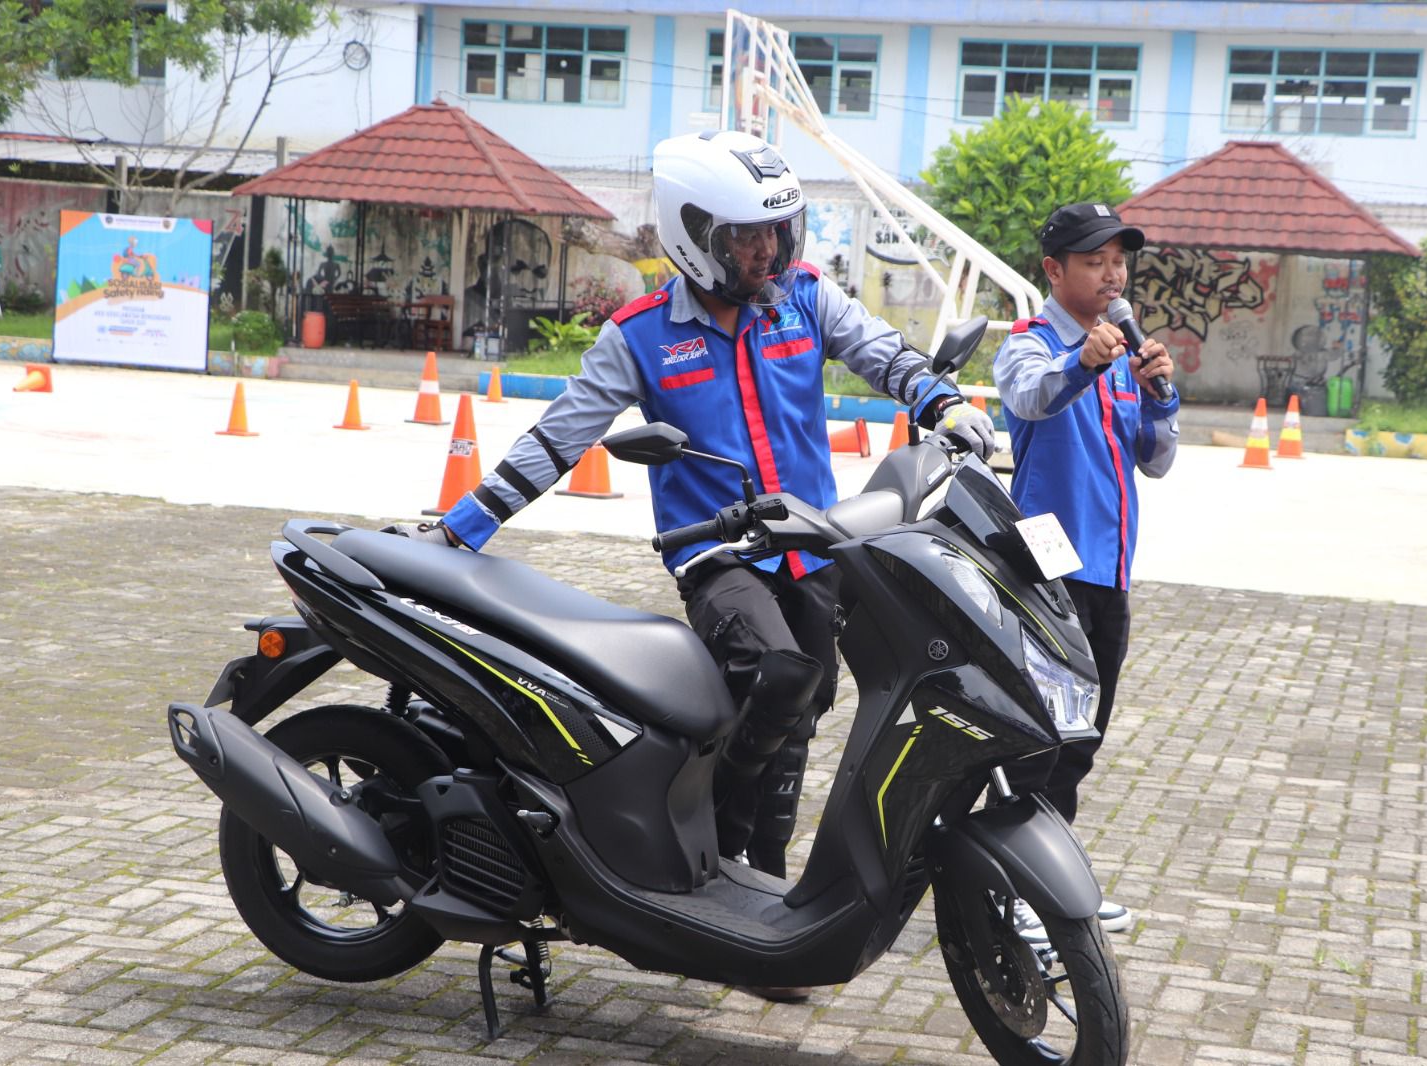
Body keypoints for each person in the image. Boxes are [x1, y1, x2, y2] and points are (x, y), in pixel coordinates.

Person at [397, 131, 994, 889]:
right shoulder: (640, 335)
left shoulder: (807, 298)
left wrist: (942, 401)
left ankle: (768, 889)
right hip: (718, 556)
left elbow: (882, 352)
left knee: (804, 709)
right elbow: (557, 440)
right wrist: (457, 531)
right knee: (779, 671)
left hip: (815, 546)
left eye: (776, 232)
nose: (766, 253)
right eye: (745, 237)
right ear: (695, 236)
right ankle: (715, 830)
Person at [993, 201, 1179, 942]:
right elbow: (1029, 397)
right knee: (1039, 737)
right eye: (1096, 259)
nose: (1113, 272)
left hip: (1110, 572)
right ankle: (1009, 890)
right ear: (1054, 269)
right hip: (1049, 570)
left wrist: (1162, 394)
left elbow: (1156, 461)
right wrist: (1084, 360)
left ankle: (1054, 876)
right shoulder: (1030, 343)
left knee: (1082, 739)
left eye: (1119, 260)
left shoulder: (1126, 349)